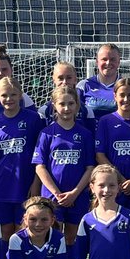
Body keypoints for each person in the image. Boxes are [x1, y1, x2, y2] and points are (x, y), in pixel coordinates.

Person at [0, 76, 44, 241]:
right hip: (1, 186)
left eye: (13, 95)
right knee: (4, 232)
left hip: (25, 185)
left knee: (24, 231)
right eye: (4, 95)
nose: (8, 99)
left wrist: (36, 183)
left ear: (20, 95)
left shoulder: (33, 119)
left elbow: (41, 156)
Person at [33, 85, 96, 245]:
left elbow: (90, 168)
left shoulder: (85, 135)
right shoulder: (46, 133)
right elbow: (40, 166)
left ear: (77, 105)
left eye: (71, 104)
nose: (66, 108)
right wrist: (56, 194)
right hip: (52, 197)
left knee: (71, 239)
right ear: (54, 105)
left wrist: (74, 193)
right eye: (62, 104)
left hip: (78, 197)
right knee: (51, 238)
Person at [94, 77, 130, 222]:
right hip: (114, 185)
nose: (126, 99)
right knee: (112, 223)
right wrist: (120, 179)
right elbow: (100, 155)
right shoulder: (105, 121)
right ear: (115, 96)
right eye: (122, 95)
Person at [41, 62, 96, 132]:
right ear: (54, 80)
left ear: (75, 79)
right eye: (60, 78)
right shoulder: (44, 111)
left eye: (69, 78)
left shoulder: (87, 111)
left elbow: (91, 137)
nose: (64, 82)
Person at [81, 43, 123, 119]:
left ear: (118, 62)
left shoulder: (127, 86)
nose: (108, 63)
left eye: (112, 59)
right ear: (97, 61)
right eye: (104, 59)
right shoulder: (84, 85)